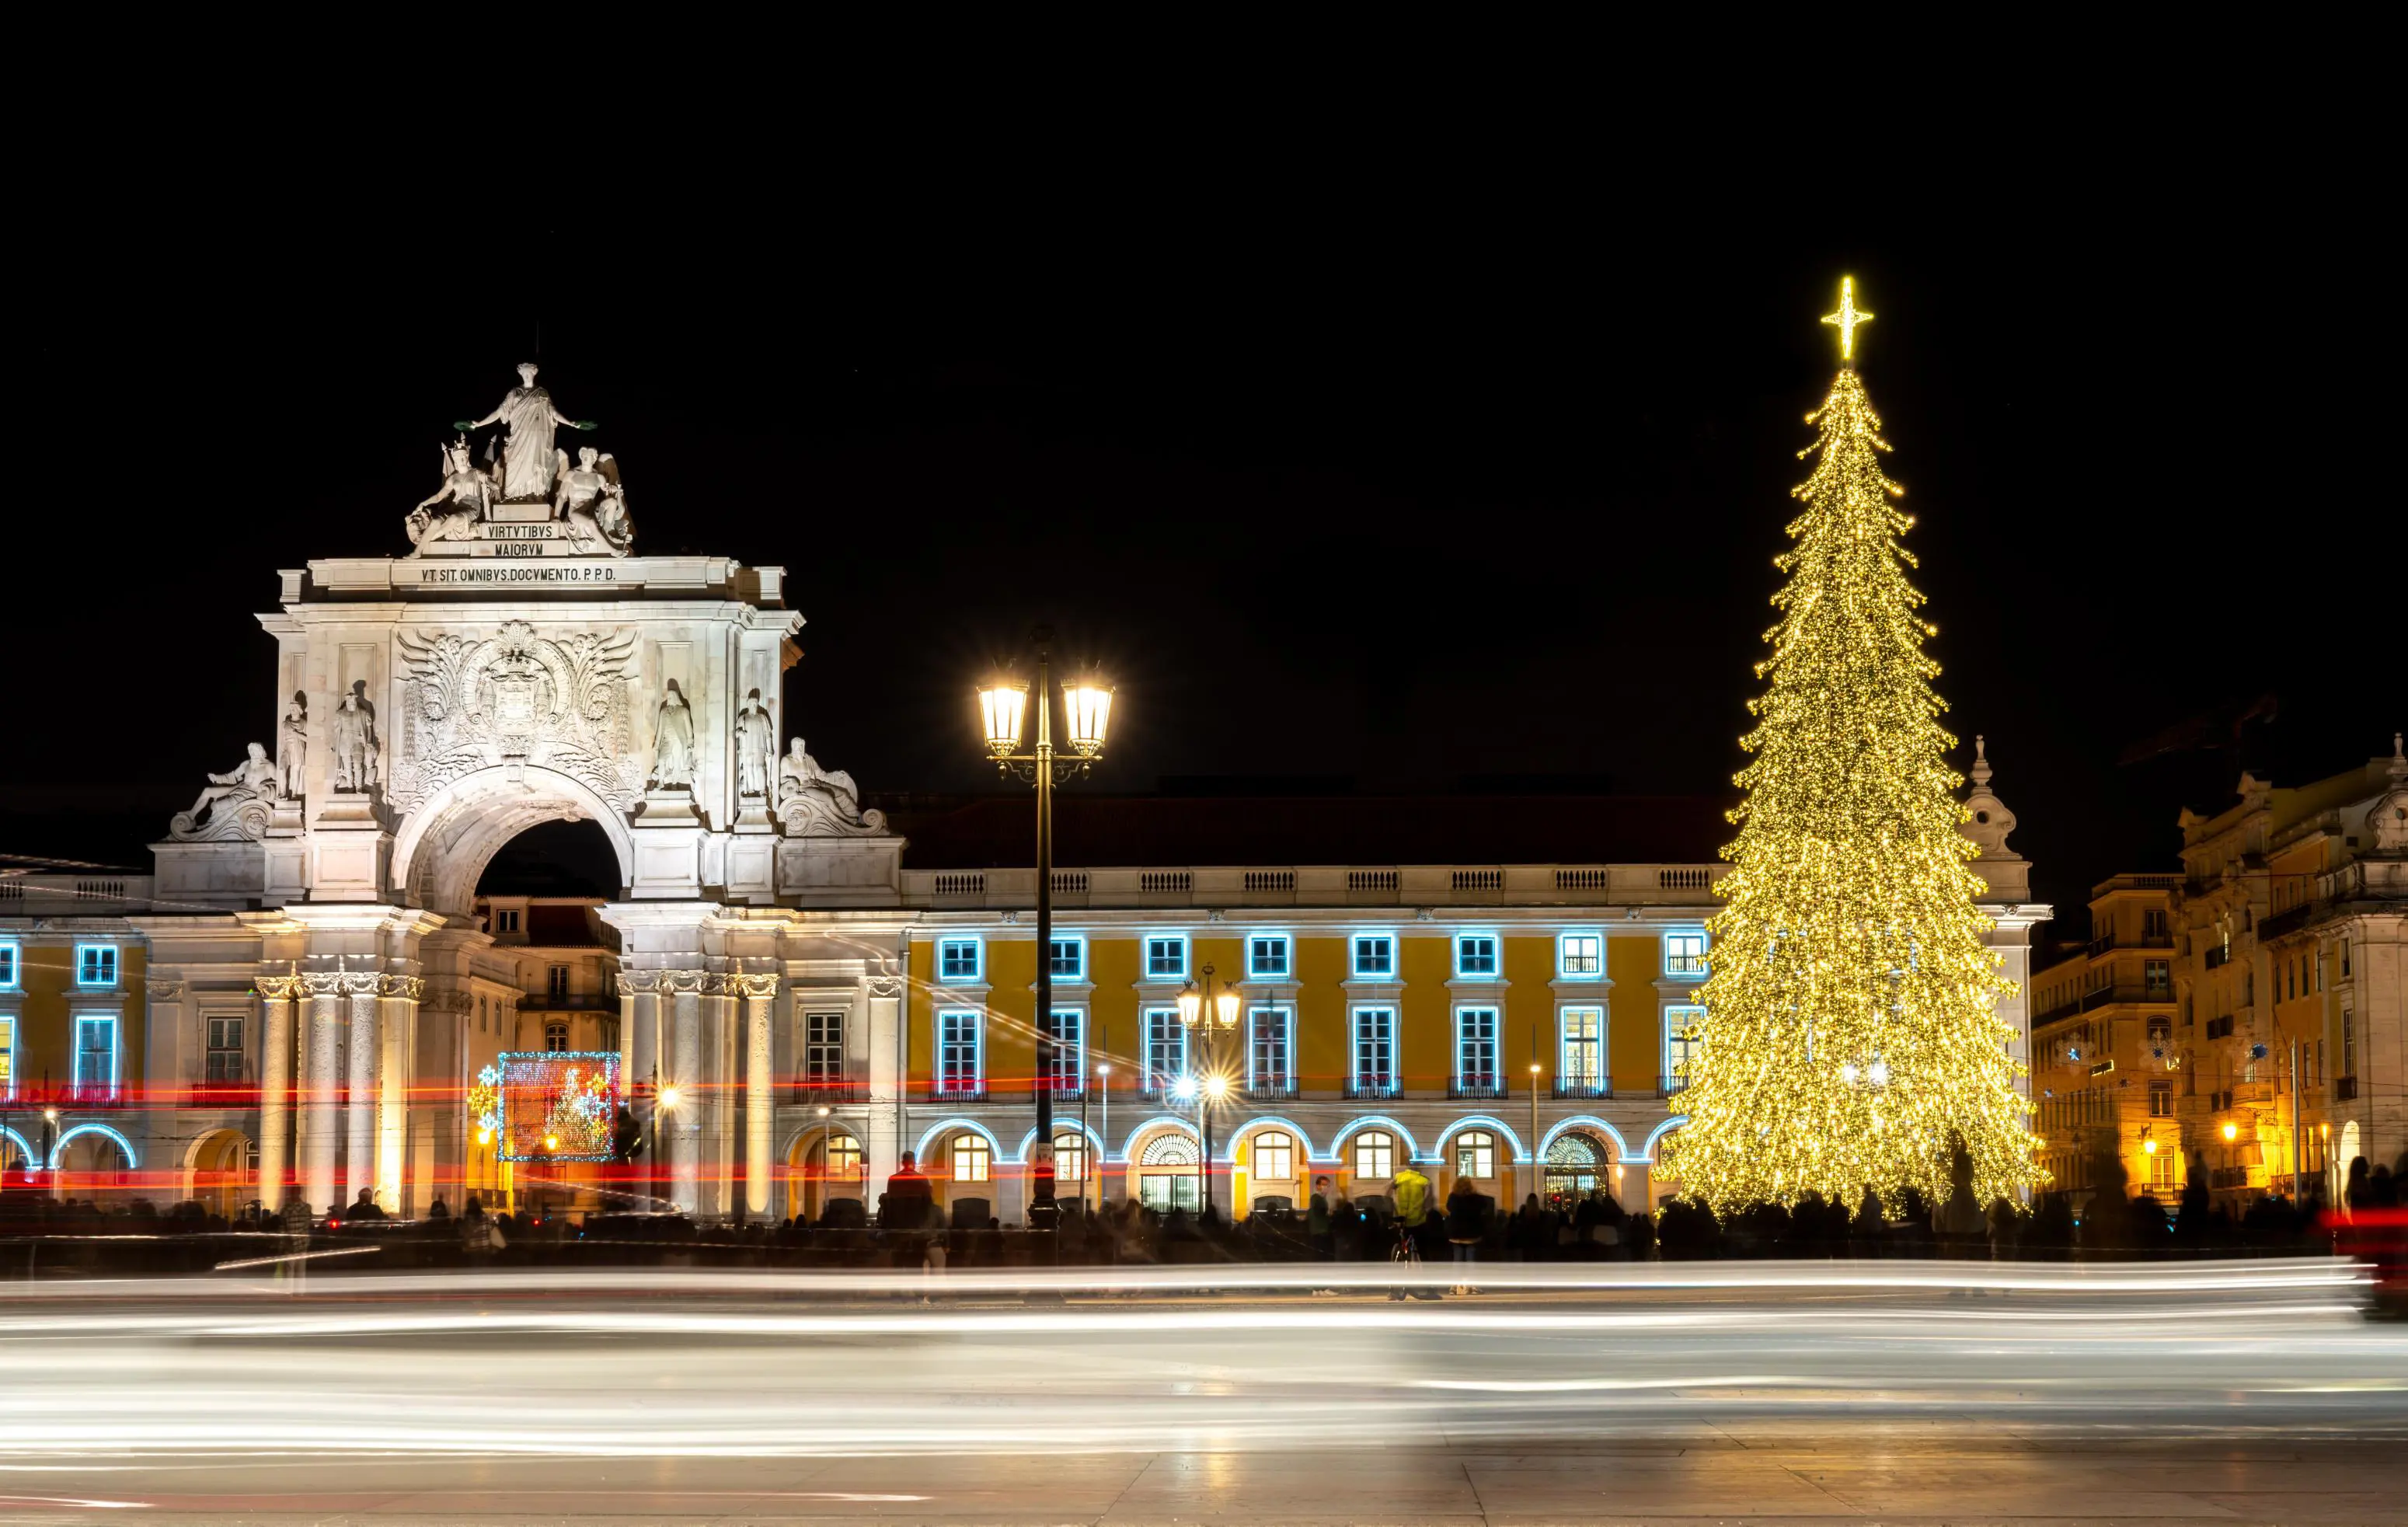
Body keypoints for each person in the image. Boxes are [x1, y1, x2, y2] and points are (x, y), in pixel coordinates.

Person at [1389, 1162, 1436, 1301]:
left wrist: (1393, 1209)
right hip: (1417, 1221)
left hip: (1400, 1220)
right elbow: (1429, 1200)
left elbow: (1386, 1192)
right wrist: (1424, 1209)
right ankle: (1430, 1288)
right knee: (1424, 1254)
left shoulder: (1399, 1177)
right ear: (1418, 1168)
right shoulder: (1424, 1181)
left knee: (1397, 1252)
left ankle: (1392, 1289)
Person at [1444, 1176, 1490, 1294]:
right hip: (1472, 1235)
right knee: (1471, 1262)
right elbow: (1485, 1206)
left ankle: (1454, 1287)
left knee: (1457, 1261)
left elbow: (1448, 1208)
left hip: (1456, 1235)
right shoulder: (1476, 1198)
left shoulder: (1453, 1197)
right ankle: (1473, 1286)